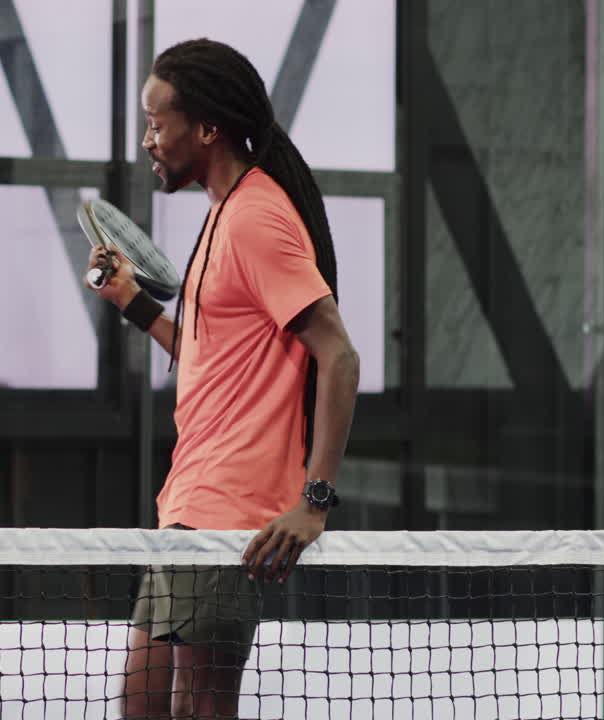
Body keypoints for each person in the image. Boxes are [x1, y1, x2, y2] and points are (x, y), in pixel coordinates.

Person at [86, 39, 360, 718]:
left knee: (196, 710)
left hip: (226, 514)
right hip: (187, 504)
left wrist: (315, 501)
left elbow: (340, 355)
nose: (148, 140)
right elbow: (210, 354)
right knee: (144, 706)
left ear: (205, 129)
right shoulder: (224, 212)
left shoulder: (256, 218)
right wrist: (133, 302)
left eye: (157, 123)